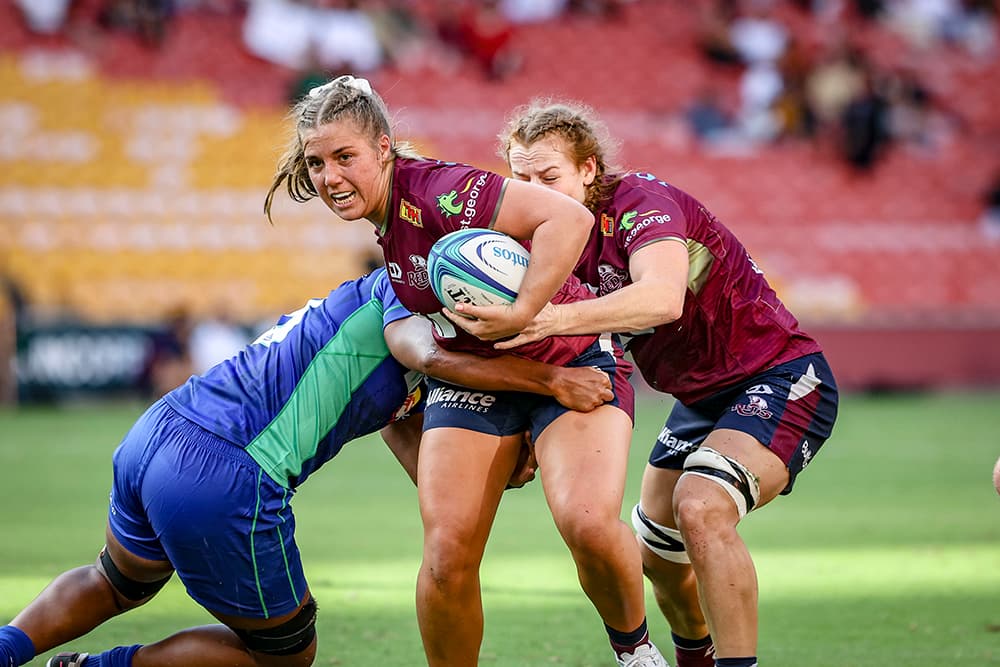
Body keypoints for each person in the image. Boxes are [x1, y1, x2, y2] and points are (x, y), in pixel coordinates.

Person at [0, 267, 616, 667]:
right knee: (285, 656)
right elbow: (430, 356)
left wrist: (477, 470)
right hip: (225, 474)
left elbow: (402, 427)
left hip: (160, 431)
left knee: (117, 581)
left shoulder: (375, 311)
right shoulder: (415, 303)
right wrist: (552, 380)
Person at [264, 75, 667, 667]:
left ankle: (635, 653)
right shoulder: (387, 227)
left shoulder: (440, 189)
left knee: (586, 524)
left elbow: (569, 221)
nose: (329, 177)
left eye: (344, 156)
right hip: (477, 379)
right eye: (317, 162)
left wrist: (525, 314)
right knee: (447, 553)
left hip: (572, 356)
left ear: (383, 147)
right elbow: (419, 358)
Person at [456, 99, 840, 667]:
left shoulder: (640, 202)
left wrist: (545, 317)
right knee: (658, 556)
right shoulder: (535, 236)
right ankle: (697, 658)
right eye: (522, 177)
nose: (535, 189)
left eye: (550, 175)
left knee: (702, 507)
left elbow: (660, 299)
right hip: (700, 398)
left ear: (589, 171)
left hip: (779, 374)